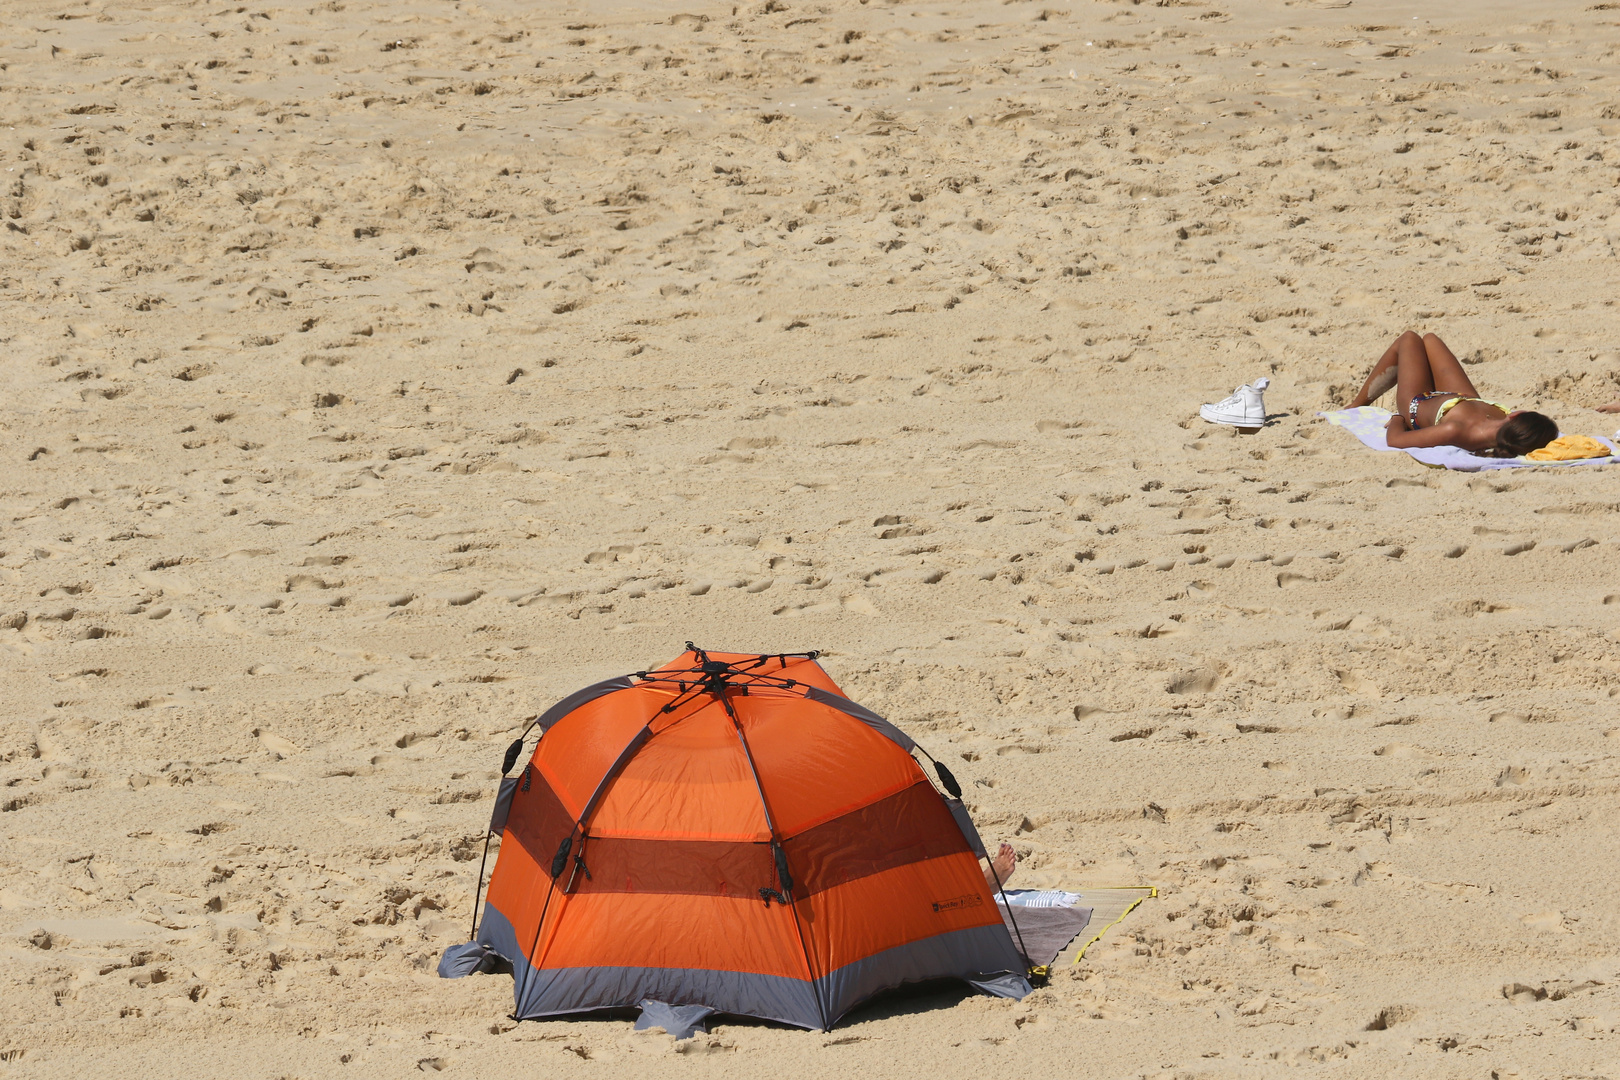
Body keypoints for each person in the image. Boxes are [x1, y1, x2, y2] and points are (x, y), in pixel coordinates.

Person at [1346, 330, 1558, 456]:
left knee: (1410, 339)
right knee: (1430, 339)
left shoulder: (1455, 431)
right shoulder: (1501, 423)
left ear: (1517, 415)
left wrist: (1397, 418)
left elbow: (1395, 441)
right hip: (1462, 398)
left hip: (1417, 403)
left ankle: (1357, 403)